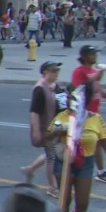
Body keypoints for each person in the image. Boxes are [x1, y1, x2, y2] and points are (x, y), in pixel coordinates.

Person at [47, 83, 106, 212]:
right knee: (64, 200)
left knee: (82, 203)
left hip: (85, 162)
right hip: (65, 162)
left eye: (72, 98)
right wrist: (56, 133)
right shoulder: (61, 117)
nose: (68, 101)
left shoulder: (95, 119)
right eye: (67, 97)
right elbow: (45, 139)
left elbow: (104, 141)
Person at [72, 45, 106, 185]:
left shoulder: (93, 71)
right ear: (84, 57)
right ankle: (96, 170)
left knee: (102, 141)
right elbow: (82, 89)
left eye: (95, 54)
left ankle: (104, 170)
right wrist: (97, 75)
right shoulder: (79, 72)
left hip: (95, 113)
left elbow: (97, 91)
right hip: (86, 114)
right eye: (91, 54)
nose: (94, 57)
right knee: (95, 142)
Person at [21, 61, 68, 198]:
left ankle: (30, 169)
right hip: (47, 129)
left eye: (57, 70)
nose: (56, 73)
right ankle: (51, 186)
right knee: (51, 157)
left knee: (51, 155)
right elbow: (34, 112)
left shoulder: (57, 88)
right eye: (53, 71)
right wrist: (36, 131)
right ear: (45, 72)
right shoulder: (40, 88)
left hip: (58, 128)